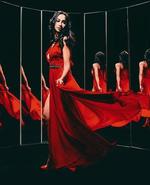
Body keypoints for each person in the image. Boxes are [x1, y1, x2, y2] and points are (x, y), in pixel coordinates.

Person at [40, 11, 141, 172]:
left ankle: (63, 158)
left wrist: (62, 77)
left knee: (63, 121)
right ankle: (62, 157)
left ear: (67, 25)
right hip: (54, 80)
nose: (61, 24)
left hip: (62, 82)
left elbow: (66, 64)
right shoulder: (53, 42)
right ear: (53, 23)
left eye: (64, 22)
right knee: (49, 118)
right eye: (58, 21)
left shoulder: (63, 42)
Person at [138, 48, 150, 127]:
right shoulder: (143, 63)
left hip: (146, 83)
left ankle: (147, 120)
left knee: (146, 102)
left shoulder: (142, 63)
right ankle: (147, 120)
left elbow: (140, 74)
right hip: (147, 83)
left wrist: (140, 84)